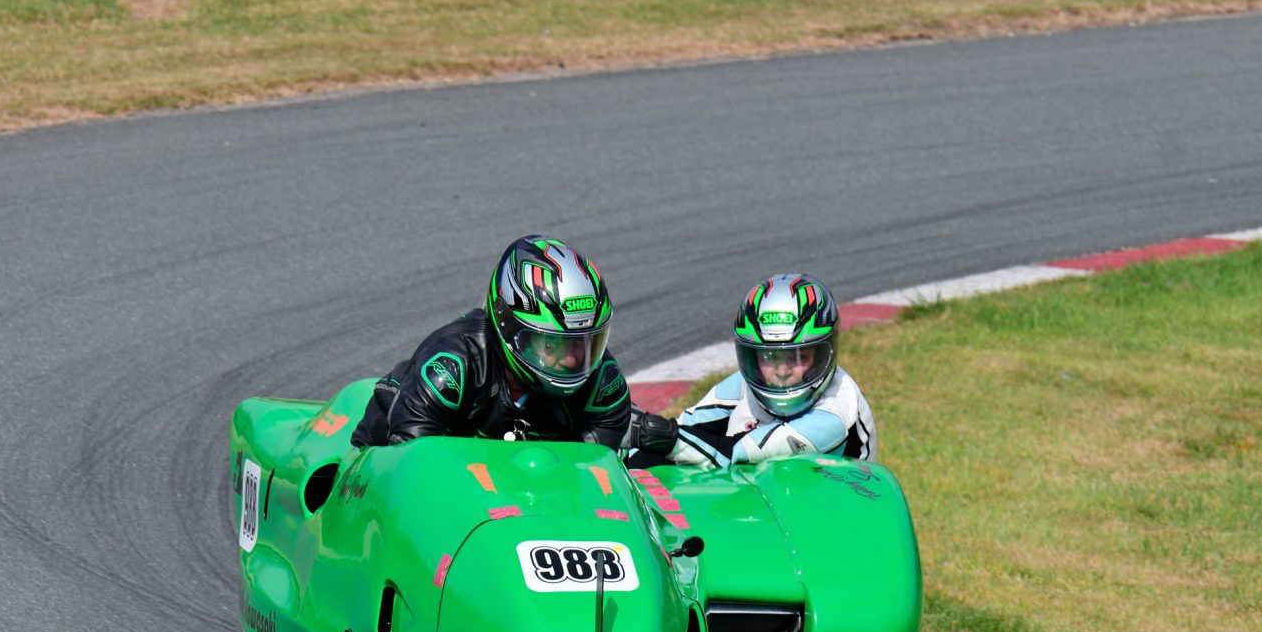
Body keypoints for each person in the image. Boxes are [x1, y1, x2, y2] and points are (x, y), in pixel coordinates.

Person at [351, 236, 632, 447]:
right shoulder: (452, 368)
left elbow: (597, 474)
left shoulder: (602, 381)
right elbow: (413, 472)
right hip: (395, 465)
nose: (572, 360)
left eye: (583, 344)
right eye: (551, 345)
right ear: (507, 324)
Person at [642, 272, 875, 467]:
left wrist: (668, 440)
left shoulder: (837, 409)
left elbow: (739, 452)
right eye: (770, 357)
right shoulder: (744, 385)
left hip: (831, 511)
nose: (782, 371)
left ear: (824, 354)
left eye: (799, 357)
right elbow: (683, 430)